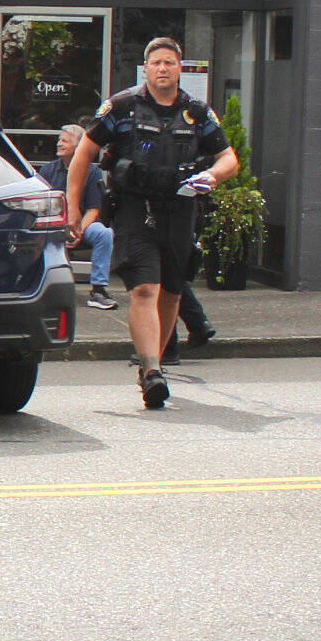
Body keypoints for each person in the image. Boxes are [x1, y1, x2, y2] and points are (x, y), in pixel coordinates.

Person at [67, 37, 238, 408]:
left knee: (172, 292)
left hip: (180, 212)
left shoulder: (197, 112)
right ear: (147, 68)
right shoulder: (123, 106)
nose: (163, 69)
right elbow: (85, 153)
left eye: (170, 63)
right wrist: (73, 206)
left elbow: (228, 158)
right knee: (144, 290)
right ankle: (152, 370)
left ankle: (151, 369)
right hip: (134, 209)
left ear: (180, 69)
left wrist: (213, 176)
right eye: (157, 63)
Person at [39, 122, 115, 310]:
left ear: (78, 146)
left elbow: (94, 209)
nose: (59, 144)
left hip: (82, 226)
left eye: (65, 141)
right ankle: (44, 289)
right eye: (59, 140)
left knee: (104, 234)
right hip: (54, 226)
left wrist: (78, 231)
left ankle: (98, 290)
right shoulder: (47, 171)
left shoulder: (93, 172)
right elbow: (43, 207)